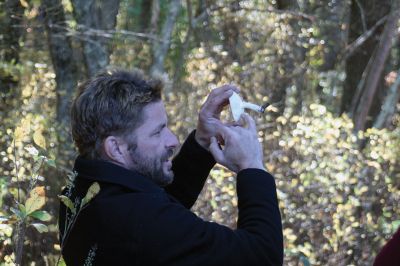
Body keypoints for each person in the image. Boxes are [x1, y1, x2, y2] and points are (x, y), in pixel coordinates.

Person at [59, 69, 283, 265]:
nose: (173, 140)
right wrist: (252, 167)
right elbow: (262, 255)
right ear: (116, 148)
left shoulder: (79, 192)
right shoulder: (139, 222)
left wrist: (202, 142)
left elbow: (159, 206)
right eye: (157, 132)